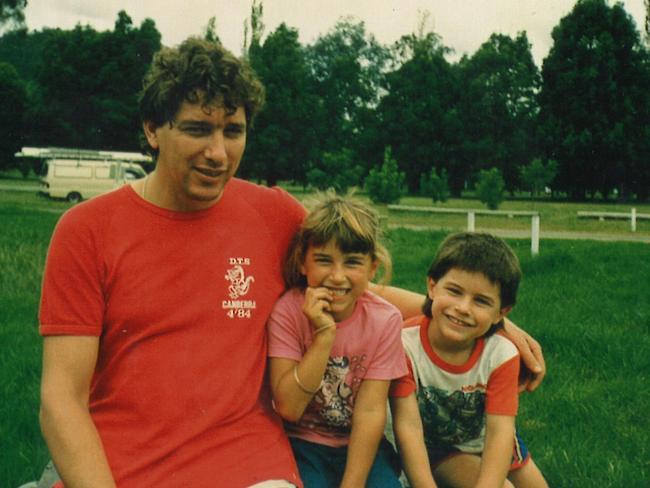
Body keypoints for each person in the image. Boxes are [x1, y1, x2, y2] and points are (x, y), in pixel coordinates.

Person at [37, 37, 545, 487]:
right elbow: (61, 400)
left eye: (232, 131)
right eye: (197, 129)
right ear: (152, 128)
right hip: (127, 458)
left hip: (245, 458)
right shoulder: (87, 230)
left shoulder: (270, 212)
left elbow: (353, 284)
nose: (217, 152)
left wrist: (499, 328)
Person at [267, 192, 406, 487]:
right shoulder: (288, 312)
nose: (337, 276)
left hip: (359, 445)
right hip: (301, 443)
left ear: (372, 268)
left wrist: (352, 484)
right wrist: (324, 337)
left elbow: (370, 412)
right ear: (303, 263)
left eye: (352, 262)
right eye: (323, 260)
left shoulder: (385, 320)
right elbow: (289, 408)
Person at [390, 232, 548, 488]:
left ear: (502, 313)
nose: (463, 307)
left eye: (481, 301)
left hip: (491, 438)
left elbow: (500, 433)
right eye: (454, 291)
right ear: (432, 286)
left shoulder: (502, 354)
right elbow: (407, 427)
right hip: (441, 447)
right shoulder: (404, 345)